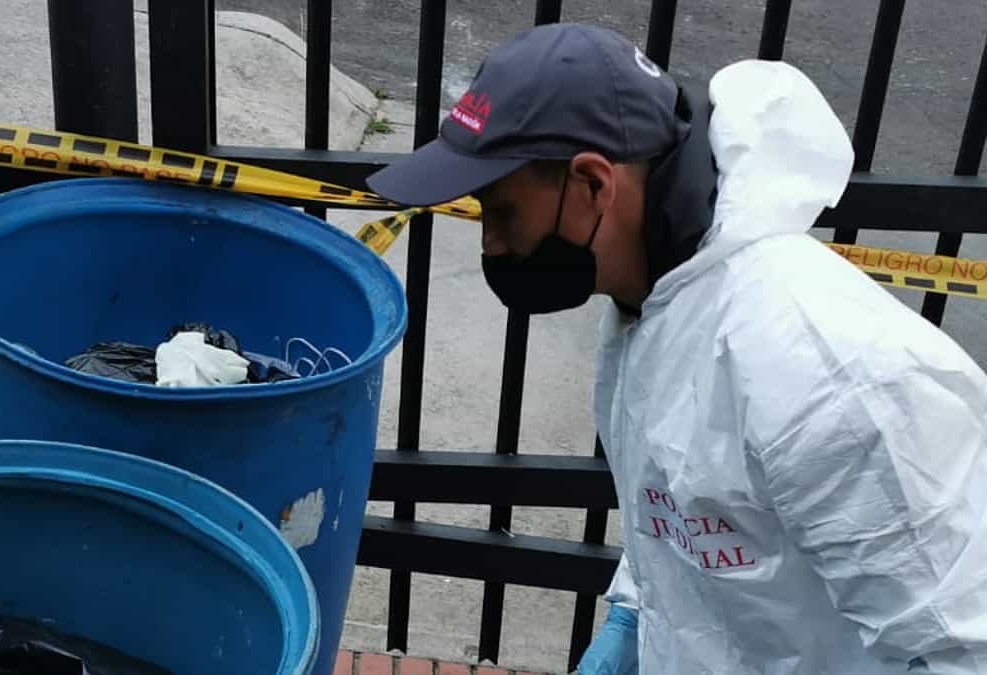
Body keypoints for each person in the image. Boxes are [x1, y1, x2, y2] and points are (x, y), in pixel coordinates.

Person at [366, 22, 987, 675]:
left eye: (502, 212)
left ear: (593, 184)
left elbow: (960, 646)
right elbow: (691, 495)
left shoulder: (822, 376)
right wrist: (632, 618)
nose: (489, 243)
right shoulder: (657, 300)